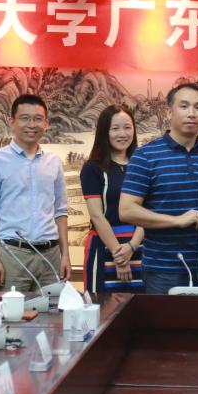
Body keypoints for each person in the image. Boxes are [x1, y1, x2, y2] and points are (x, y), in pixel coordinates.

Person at [119, 83, 198, 294]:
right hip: (163, 269)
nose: (192, 113)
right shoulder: (145, 155)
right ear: (169, 112)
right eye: (184, 106)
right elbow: (127, 210)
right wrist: (176, 220)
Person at [0, 94, 70, 292]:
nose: (32, 124)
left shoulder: (53, 162)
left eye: (38, 119)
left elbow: (60, 211)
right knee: (12, 311)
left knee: (53, 311)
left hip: (50, 255)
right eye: (25, 118)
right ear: (11, 121)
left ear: (46, 123)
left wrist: (65, 256)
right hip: (12, 255)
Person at [80, 105, 145, 294]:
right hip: (104, 245)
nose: (122, 134)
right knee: (101, 305)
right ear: (104, 132)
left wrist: (132, 246)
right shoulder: (92, 168)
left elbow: (148, 212)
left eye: (127, 127)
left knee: (142, 305)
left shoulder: (143, 165)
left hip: (139, 245)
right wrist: (120, 255)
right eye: (115, 128)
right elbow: (97, 216)